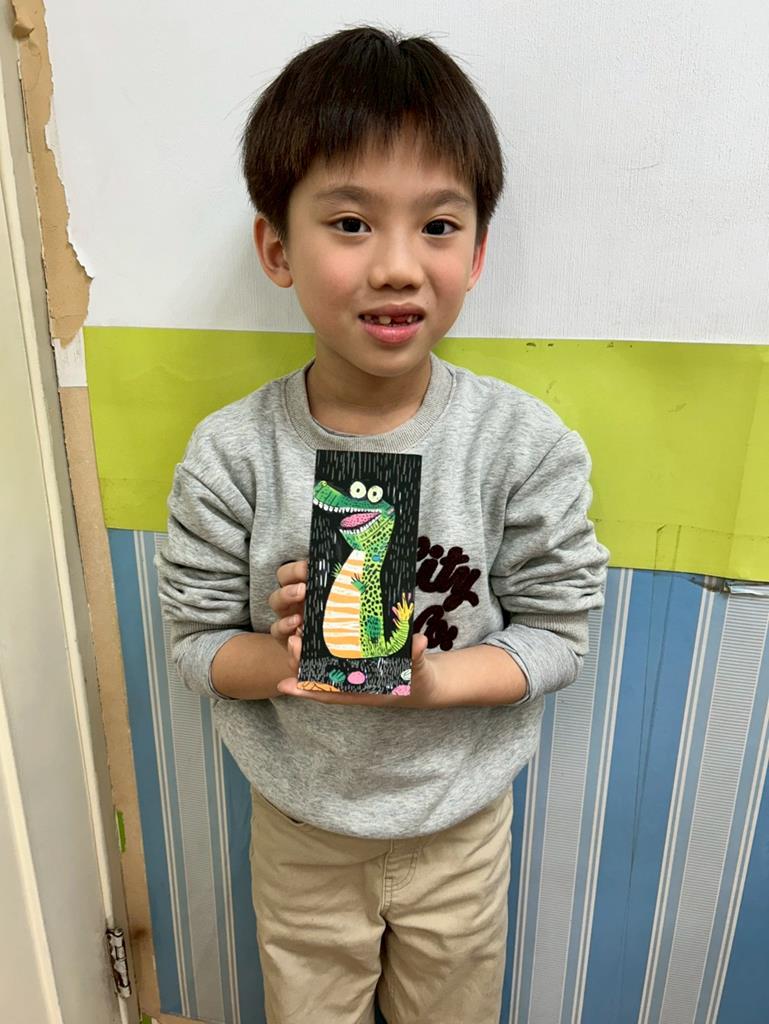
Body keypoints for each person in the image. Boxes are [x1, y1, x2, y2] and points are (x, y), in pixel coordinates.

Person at [156, 25, 609, 1024]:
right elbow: (193, 642)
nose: (399, 266)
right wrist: (281, 657)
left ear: (476, 252)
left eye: (437, 225)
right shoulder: (232, 454)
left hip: (459, 826)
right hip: (302, 829)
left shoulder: (520, 445)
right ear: (277, 248)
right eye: (352, 222)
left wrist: (433, 678)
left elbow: (558, 635)